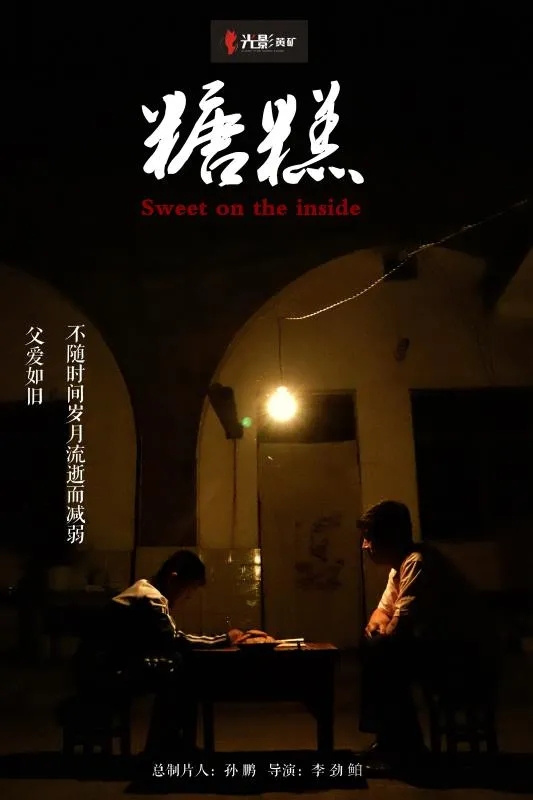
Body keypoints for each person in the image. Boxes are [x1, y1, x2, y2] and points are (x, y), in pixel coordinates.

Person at [73, 550, 266, 755]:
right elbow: (175, 640)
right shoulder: (150, 597)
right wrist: (225, 639)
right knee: (182, 671)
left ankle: (168, 744)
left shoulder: (144, 591)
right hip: (103, 672)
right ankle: (166, 746)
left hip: (102, 665)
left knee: (178, 666)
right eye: (189, 589)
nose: (187, 596)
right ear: (173, 580)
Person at [357, 500, 497, 768]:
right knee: (376, 648)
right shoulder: (398, 568)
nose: (365, 546)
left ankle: (400, 744)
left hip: (465, 657)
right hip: (440, 649)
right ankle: (395, 741)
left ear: (389, 536)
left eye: (369, 537)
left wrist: (383, 631)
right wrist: (381, 627)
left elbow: (400, 627)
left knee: (382, 653)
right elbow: (380, 614)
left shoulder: (417, 562)